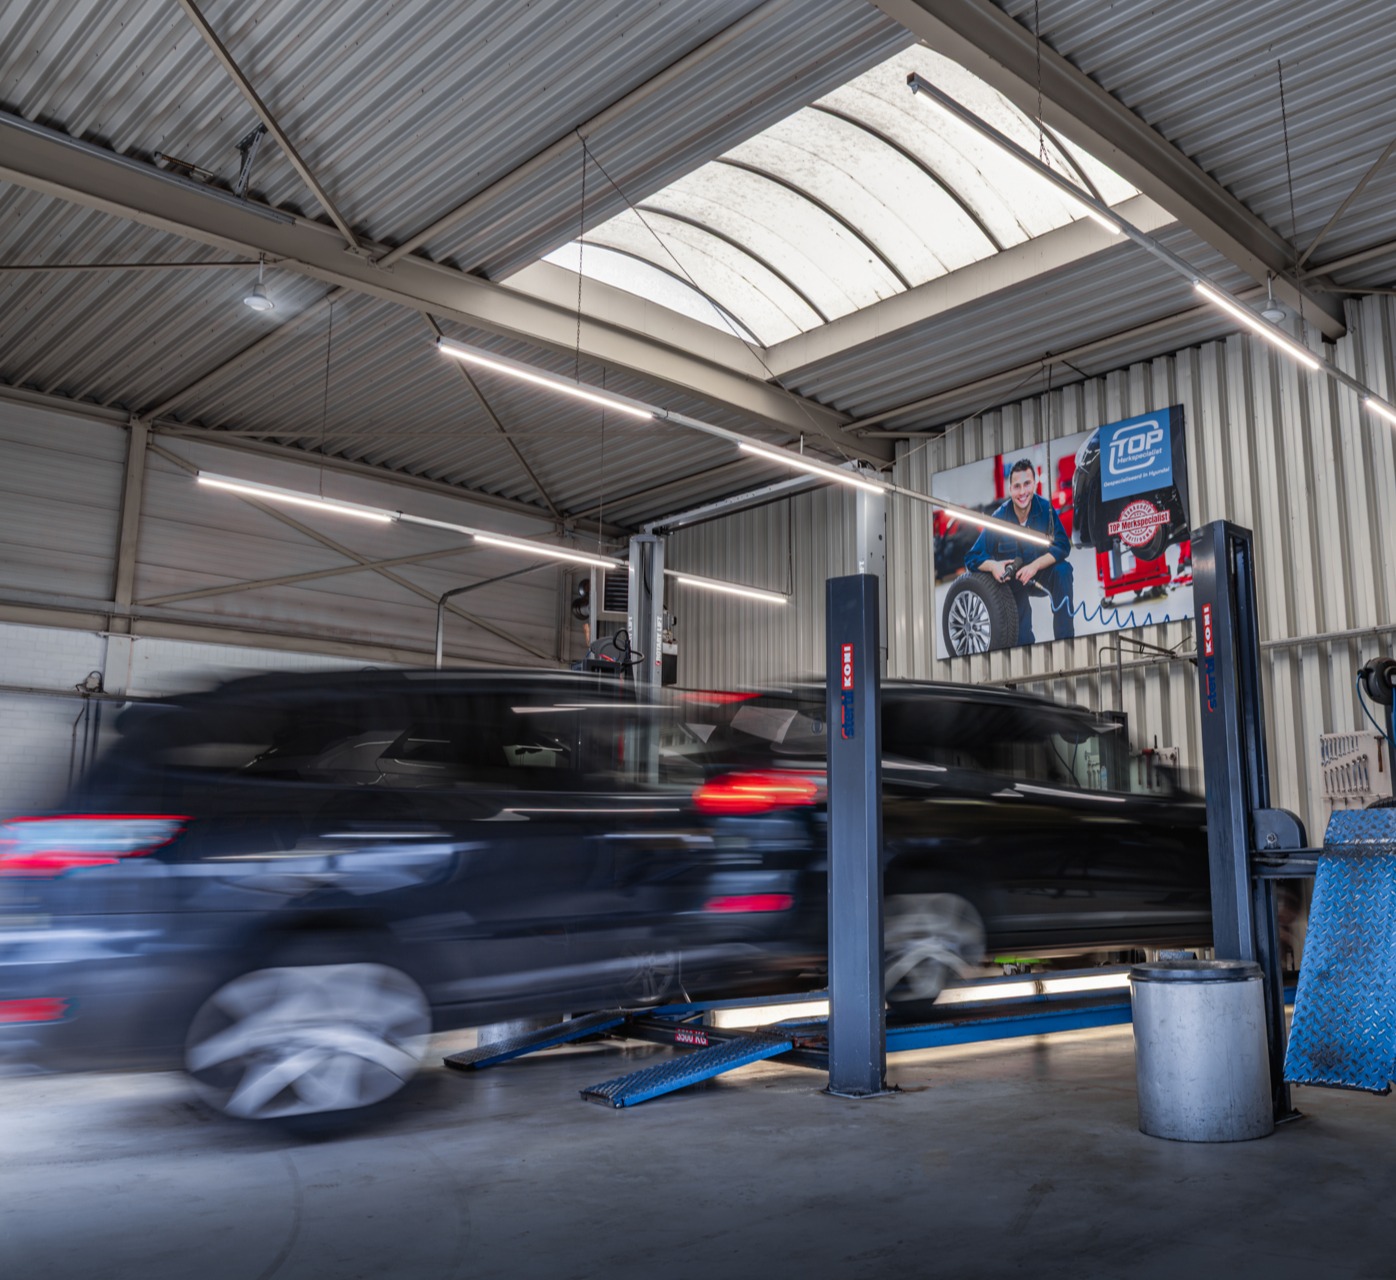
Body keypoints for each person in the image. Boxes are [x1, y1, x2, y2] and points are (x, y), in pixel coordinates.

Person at [963, 457, 1075, 644]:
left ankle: (1065, 643)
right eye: (1017, 486)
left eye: (1027, 484)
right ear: (1010, 489)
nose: (1022, 492)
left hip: (1041, 573)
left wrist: (1035, 565)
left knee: (1063, 571)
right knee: (1022, 636)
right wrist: (993, 566)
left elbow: (1063, 545)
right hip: (1013, 581)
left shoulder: (1045, 509)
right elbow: (972, 557)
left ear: (1034, 484)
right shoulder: (999, 518)